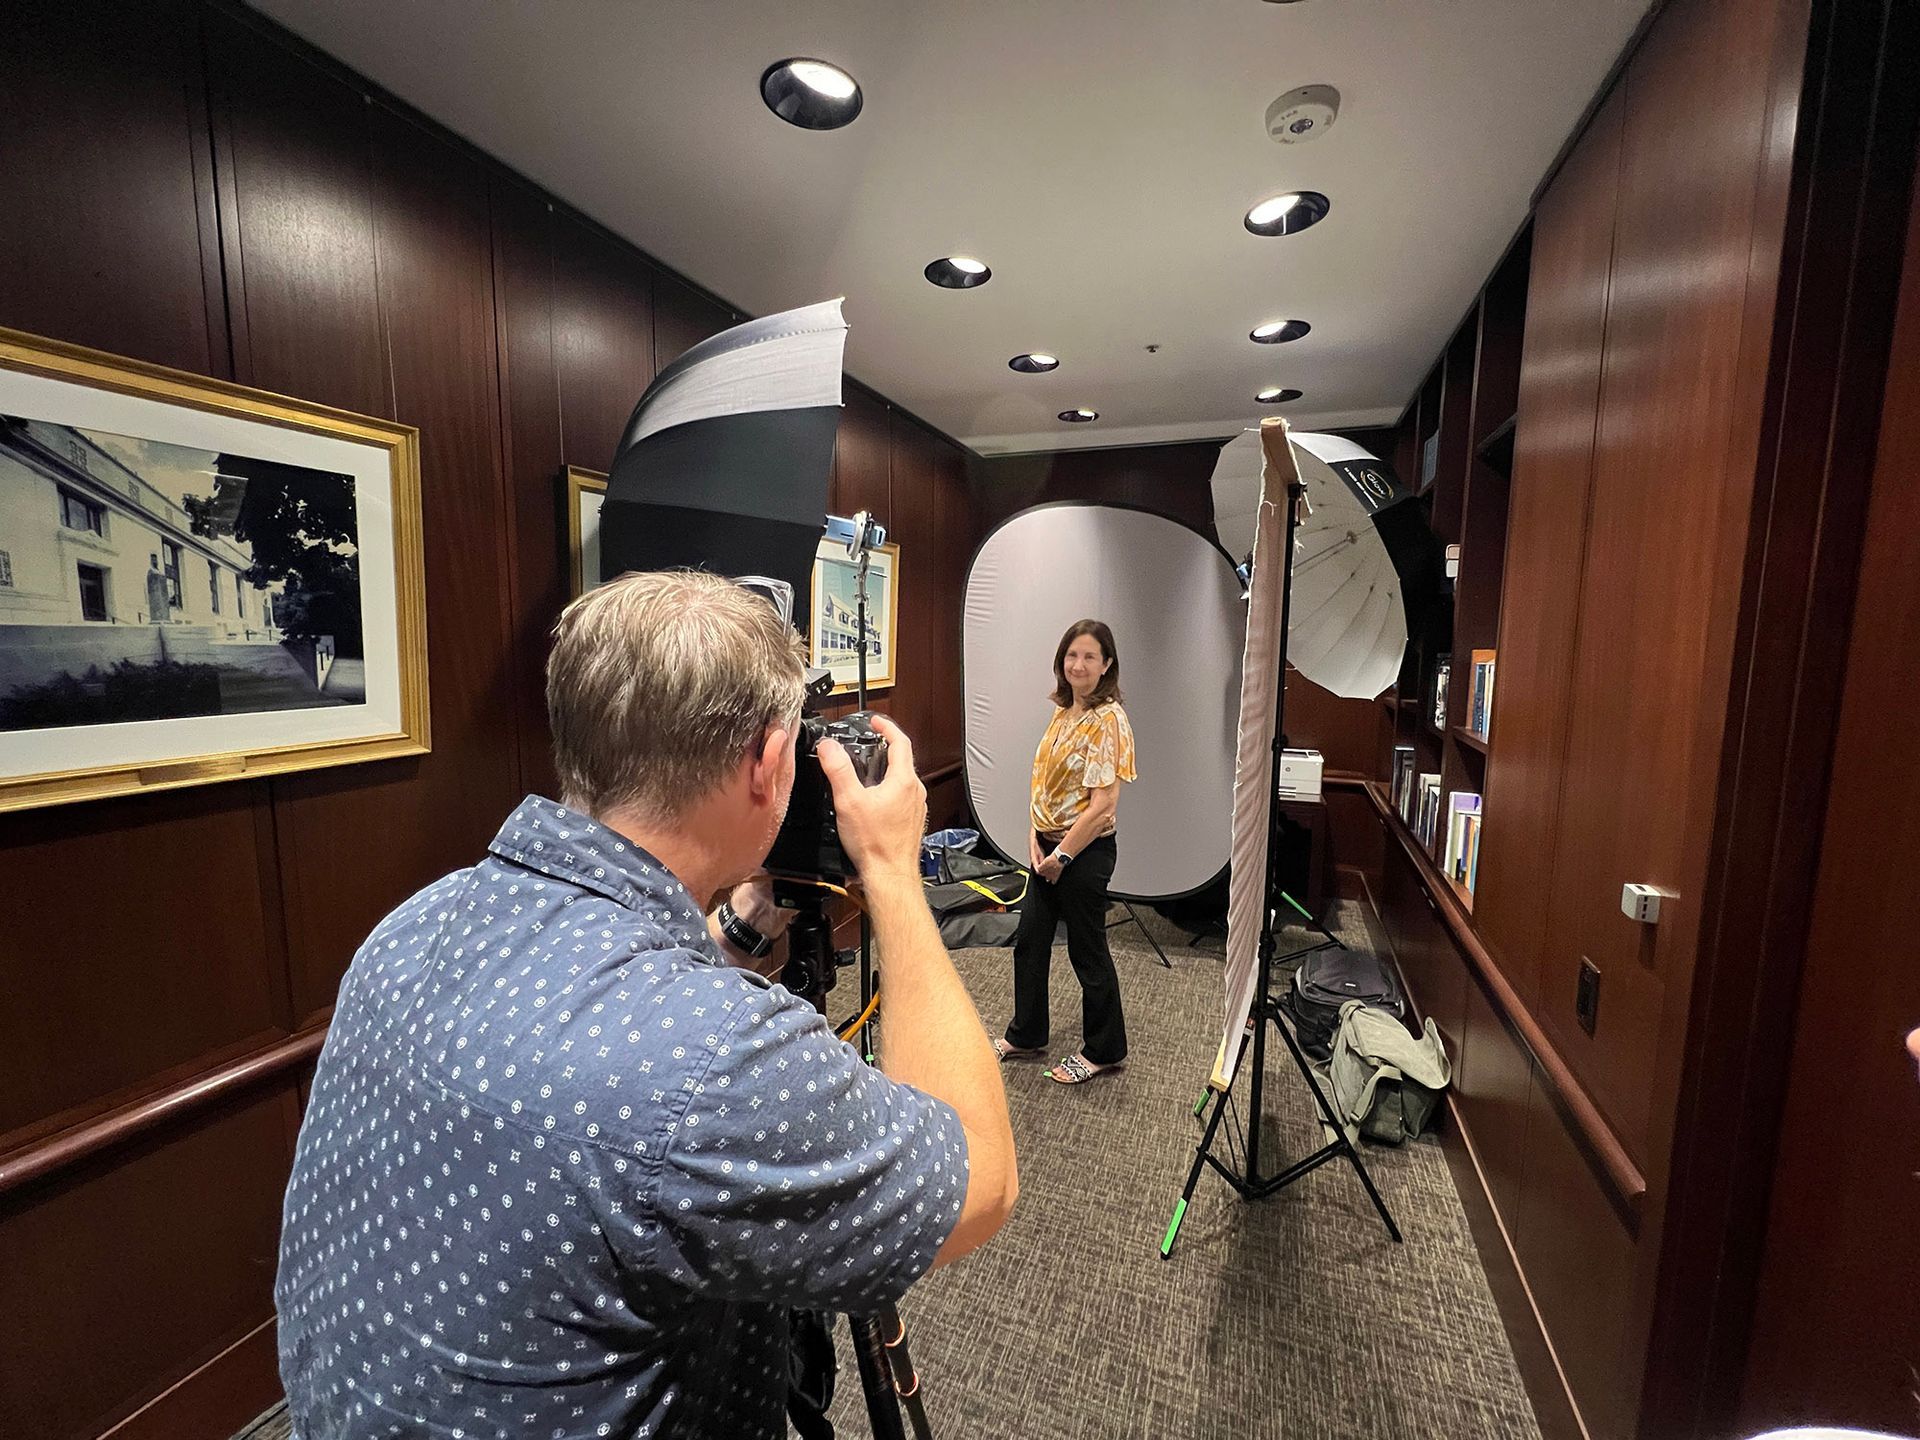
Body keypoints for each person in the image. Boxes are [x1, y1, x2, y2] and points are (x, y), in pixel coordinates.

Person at [274, 570, 1017, 1440]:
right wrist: (892, 872)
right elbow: (981, 1180)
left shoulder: (412, 925)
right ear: (770, 763)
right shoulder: (715, 1059)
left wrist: (735, 932)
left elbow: (592, 1033)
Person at [998, 619, 1138, 1085]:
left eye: (1090, 657)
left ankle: (1105, 1049)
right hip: (1048, 849)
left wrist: (1063, 858)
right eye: (1071, 655)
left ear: (1107, 665)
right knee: (1030, 942)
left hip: (1084, 853)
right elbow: (1044, 782)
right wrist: (1034, 839)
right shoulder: (1065, 711)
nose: (1078, 665)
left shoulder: (1108, 719)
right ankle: (1027, 1034)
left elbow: (1103, 806)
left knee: (1087, 951)